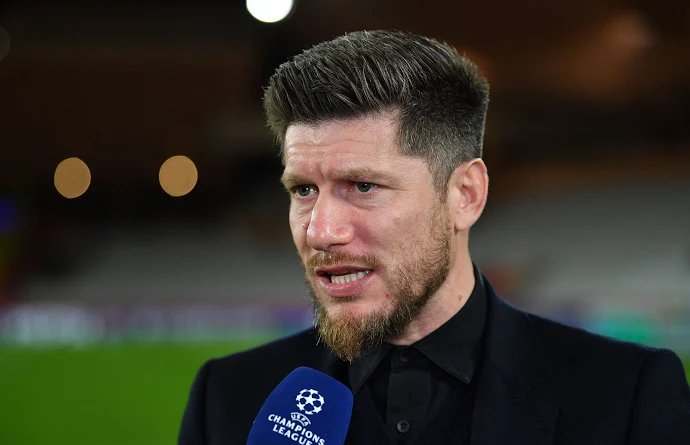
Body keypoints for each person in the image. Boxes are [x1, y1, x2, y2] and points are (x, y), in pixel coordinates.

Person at [178, 30, 690, 445]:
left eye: (363, 186)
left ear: (465, 195)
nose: (320, 231)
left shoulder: (628, 396)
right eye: (304, 189)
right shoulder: (226, 399)